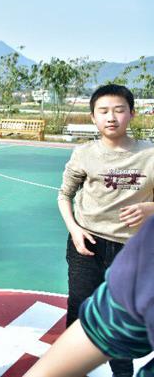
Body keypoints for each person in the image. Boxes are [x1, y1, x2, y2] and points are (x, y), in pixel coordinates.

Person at [58, 84, 154, 376]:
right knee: (78, 311)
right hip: (87, 243)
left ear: (132, 114)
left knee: (120, 318)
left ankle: (121, 373)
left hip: (133, 250)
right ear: (93, 117)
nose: (111, 117)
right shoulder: (84, 153)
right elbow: (64, 195)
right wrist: (75, 230)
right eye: (103, 111)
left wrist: (150, 208)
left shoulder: (150, 154)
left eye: (119, 110)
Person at [25, 216, 154, 377]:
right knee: (77, 307)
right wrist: (73, 227)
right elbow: (108, 327)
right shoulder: (147, 257)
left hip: (122, 241)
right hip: (89, 240)